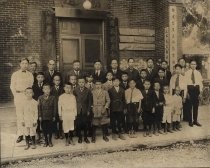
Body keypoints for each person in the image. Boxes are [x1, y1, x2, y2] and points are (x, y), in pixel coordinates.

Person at [10, 58, 34, 143]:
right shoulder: (15, 74)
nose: (25, 65)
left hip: (27, 96)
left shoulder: (30, 74)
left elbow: (31, 85)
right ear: (20, 64)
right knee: (20, 116)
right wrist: (16, 95)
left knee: (28, 115)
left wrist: (29, 95)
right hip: (19, 96)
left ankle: (29, 134)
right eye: (23, 63)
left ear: (28, 65)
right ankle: (20, 135)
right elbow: (12, 86)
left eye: (26, 63)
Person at [74, 77, 93, 144]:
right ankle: (80, 137)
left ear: (85, 83)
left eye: (82, 82)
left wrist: (88, 110)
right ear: (78, 83)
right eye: (80, 82)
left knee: (85, 124)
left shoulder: (88, 90)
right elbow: (74, 100)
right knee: (78, 124)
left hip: (85, 110)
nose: (81, 84)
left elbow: (90, 101)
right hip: (78, 110)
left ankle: (85, 137)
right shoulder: (75, 90)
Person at [185, 60, 203, 127]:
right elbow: (185, 84)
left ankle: (195, 121)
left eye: (194, 64)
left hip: (196, 90)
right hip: (190, 89)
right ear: (190, 65)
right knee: (189, 106)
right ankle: (190, 121)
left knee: (196, 106)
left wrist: (200, 92)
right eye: (192, 64)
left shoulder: (198, 73)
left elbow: (201, 83)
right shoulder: (187, 73)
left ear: (196, 65)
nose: (193, 65)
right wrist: (187, 92)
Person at [32, 72, 45, 141]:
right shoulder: (34, 86)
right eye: (39, 77)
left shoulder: (45, 86)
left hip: (44, 104)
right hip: (36, 104)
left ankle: (43, 131)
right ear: (36, 78)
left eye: (41, 77)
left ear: (44, 78)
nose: (40, 78)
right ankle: (37, 131)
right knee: (37, 118)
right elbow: (33, 95)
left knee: (42, 118)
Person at [51, 74, 64, 139]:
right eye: (56, 80)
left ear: (60, 81)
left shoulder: (62, 89)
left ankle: (60, 132)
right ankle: (55, 132)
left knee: (61, 120)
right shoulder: (51, 89)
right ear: (53, 81)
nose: (57, 82)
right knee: (54, 120)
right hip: (54, 107)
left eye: (58, 80)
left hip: (61, 106)